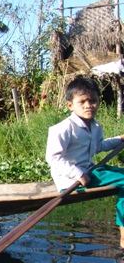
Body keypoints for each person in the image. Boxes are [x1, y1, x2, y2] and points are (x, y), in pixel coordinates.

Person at [45, 76, 124, 248]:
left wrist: (119, 139)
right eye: (82, 102)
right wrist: (78, 174)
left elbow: (98, 147)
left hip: (89, 171)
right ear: (70, 105)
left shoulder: (95, 126)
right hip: (71, 180)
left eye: (93, 101)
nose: (89, 105)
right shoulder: (62, 128)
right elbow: (53, 157)